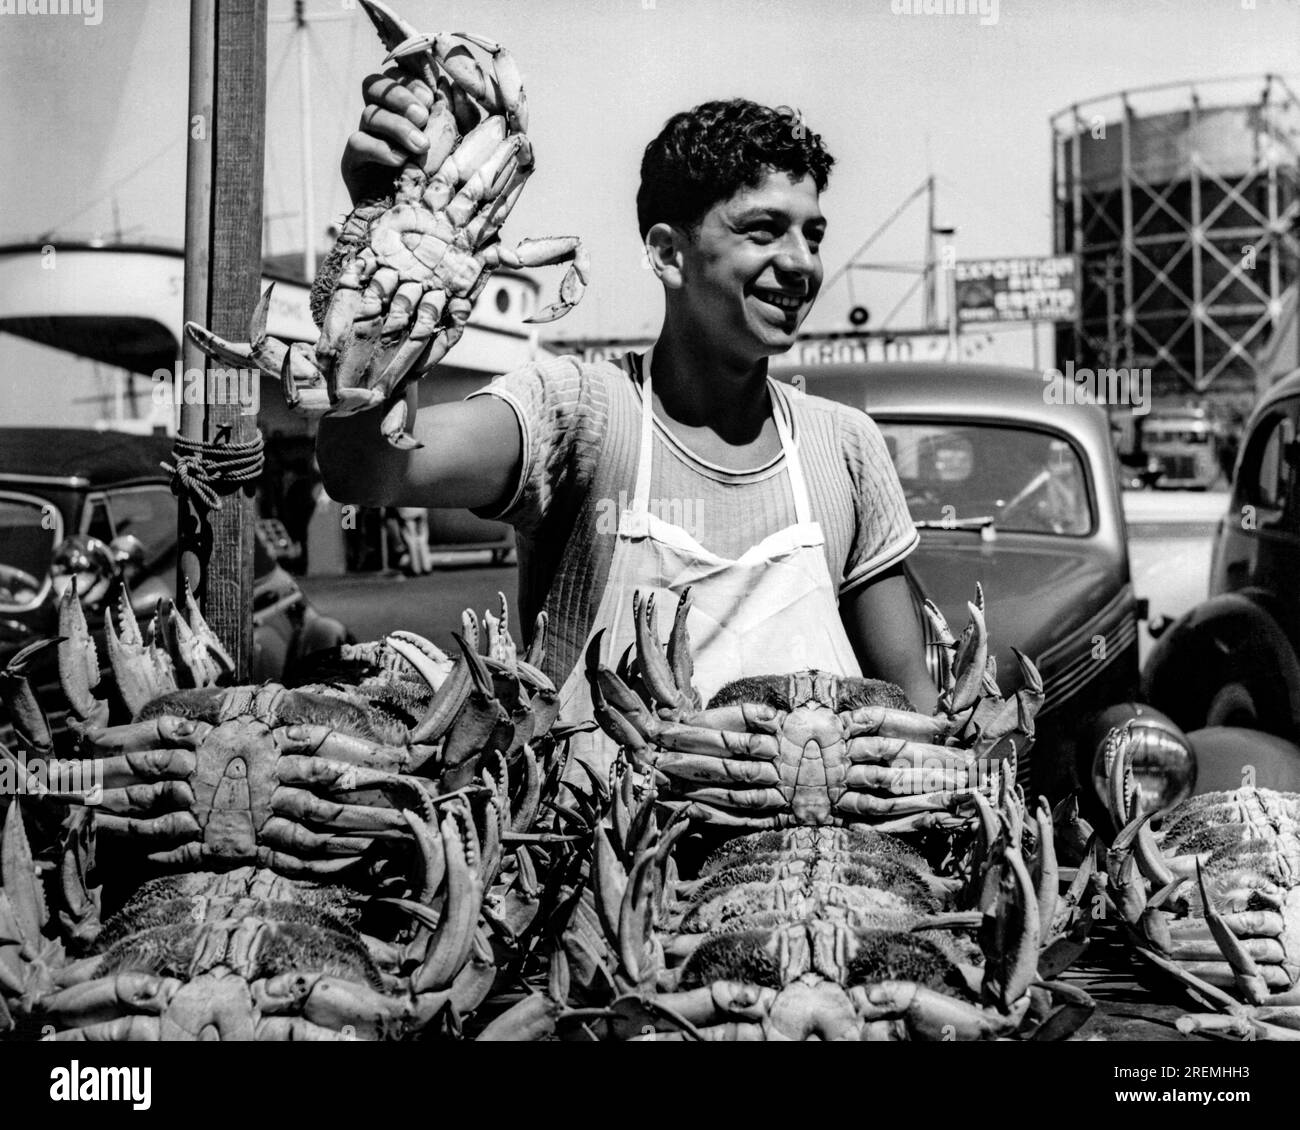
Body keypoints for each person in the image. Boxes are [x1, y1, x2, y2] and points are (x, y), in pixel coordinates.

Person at [320, 81, 936, 779]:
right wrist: (380, 232)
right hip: (602, 870)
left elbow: (913, 718)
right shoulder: (580, 409)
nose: (799, 261)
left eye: (812, 234)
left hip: (811, 869)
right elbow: (368, 469)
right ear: (668, 254)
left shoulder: (844, 446)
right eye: (763, 230)